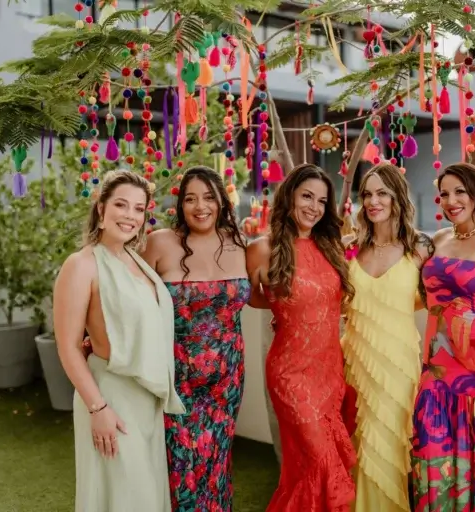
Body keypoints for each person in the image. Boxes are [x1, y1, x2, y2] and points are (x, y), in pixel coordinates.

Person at [53, 170, 185, 512]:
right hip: (111, 397)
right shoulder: (81, 265)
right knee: (125, 500)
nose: (130, 216)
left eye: (139, 209)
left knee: (147, 498)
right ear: (101, 208)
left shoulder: (135, 259)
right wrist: (98, 409)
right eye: (121, 205)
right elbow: (68, 346)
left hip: (146, 401)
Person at [140, 165, 265, 511]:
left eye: (209, 197)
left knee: (216, 465)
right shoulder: (159, 243)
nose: (200, 207)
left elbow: (259, 296)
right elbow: (131, 299)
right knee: (180, 467)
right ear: (180, 204)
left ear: (222, 201)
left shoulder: (239, 245)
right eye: (190, 199)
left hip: (227, 380)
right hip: (177, 379)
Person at [246, 163, 357, 512]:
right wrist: (285, 308)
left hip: (329, 372)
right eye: (307, 196)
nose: (314, 207)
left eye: (322, 201)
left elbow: (333, 299)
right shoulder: (262, 248)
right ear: (289, 196)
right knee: (322, 462)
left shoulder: (329, 245)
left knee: (305, 470)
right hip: (290, 374)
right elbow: (249, 297)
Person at [410, 162, 475, 511]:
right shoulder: (437, 240)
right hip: (435, 371)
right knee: (431, 458)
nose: (451, 201)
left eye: (459, 192)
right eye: (444, 194)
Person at [340, 163, 434, 512]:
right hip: (355, 360)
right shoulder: (350, 247)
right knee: (358, 443)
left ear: (398, 197)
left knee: (388, 447)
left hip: (398, 365)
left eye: (382, 193)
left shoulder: (420, 249)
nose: (373, 201)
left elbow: (435, 300)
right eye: (367, 194)